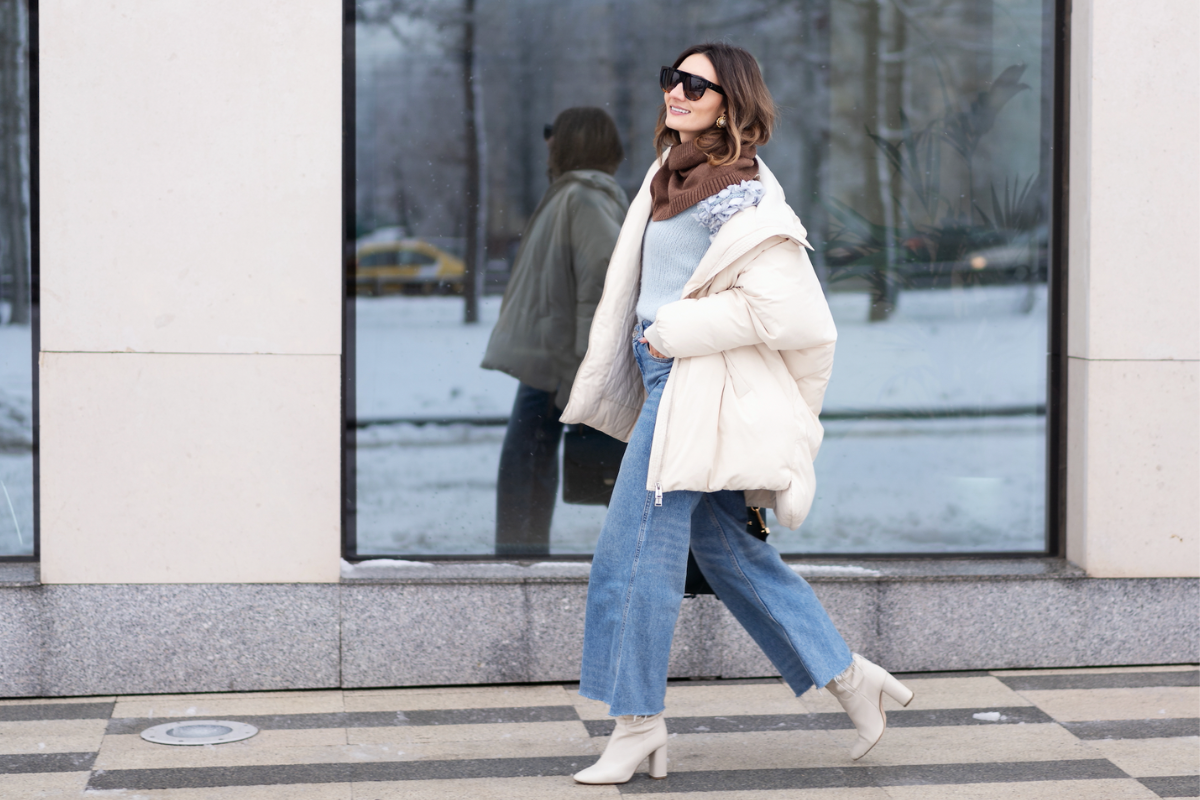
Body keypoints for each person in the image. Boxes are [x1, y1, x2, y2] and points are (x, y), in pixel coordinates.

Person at [561, 44, 915, 785]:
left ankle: (637, 724)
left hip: (692, 386)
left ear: (731, 101)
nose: (676, 91)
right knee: (728, 552)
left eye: (696, 84)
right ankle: (851, 678)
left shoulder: (743, 195)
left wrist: (673, 332)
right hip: (668, 378)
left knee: (632, 552)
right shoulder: (670, 175)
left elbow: (782, 312)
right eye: (672, 78)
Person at [482, 107, 629, 556]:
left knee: (525, 471)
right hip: (554, 358)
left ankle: (519, 568)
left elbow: (601, 285)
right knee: (528, 470)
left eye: (554, 133)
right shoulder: (576, 195)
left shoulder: (583, 199)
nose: (547, 141)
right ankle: (520, 564)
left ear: (572, 141)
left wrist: (582, 375)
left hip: (559, 363)